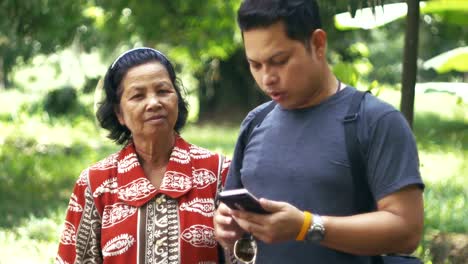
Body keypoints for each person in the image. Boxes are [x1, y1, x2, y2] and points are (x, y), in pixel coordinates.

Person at [213, 0, 424, 263]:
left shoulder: (374, 120)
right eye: (255, 65)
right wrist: (226, 221)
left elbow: (406, 230)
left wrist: (306, 226)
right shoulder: (256, 121)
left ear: (318, 44)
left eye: (279, 61)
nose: (267, 78)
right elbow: (232, 207)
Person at [56, 47, 230, 264]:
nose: (154, 103)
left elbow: (247, 253)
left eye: (163, 91)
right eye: (138, 95)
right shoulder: (94, 184)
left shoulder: (220, 172)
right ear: (119, 113)